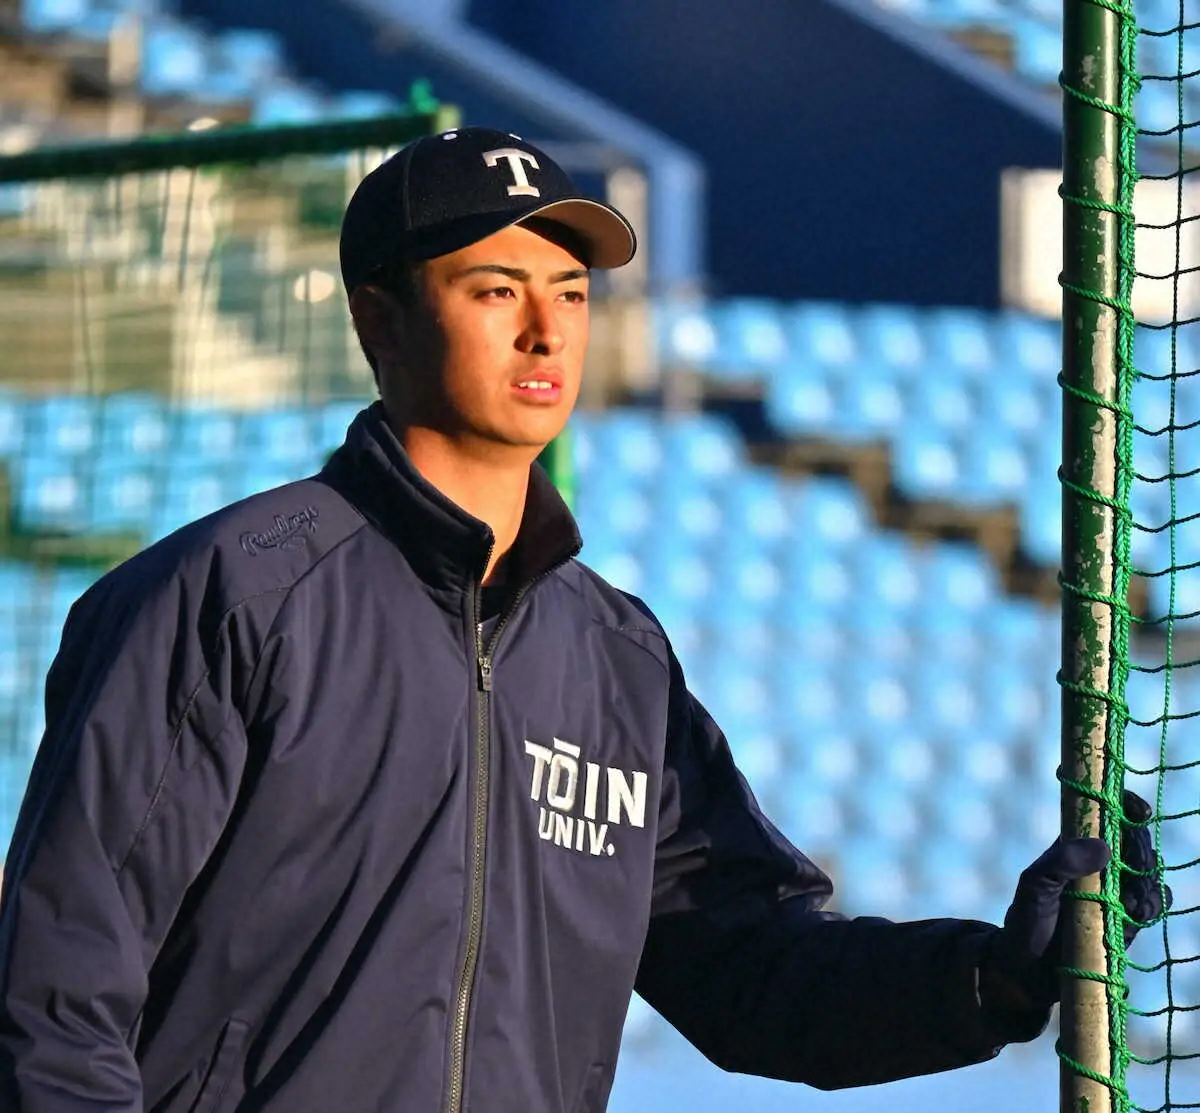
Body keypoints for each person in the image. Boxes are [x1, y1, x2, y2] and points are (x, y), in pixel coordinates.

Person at [0, 126, 1167, 1113]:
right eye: (496, 291)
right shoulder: (228, 597)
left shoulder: (618, 659)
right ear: (381, 322)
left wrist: (998, 977)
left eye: (570, 293)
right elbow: (57, 997)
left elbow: (753, 972)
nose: (548, 332)